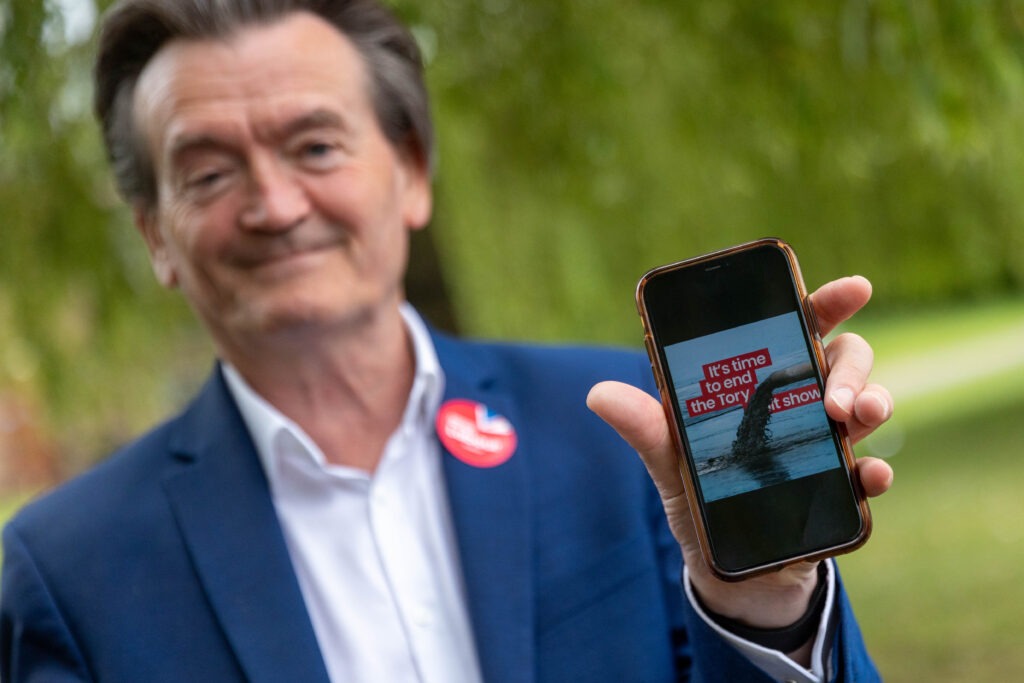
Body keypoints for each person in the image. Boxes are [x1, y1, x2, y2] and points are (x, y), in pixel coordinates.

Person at [0, 1, 894, 681]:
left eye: (315, 147)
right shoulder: (67, 573)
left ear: (414, 172)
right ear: (155, 232)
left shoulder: (632, 437)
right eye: (207, 172)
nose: (273, 206)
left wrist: (765, 603)